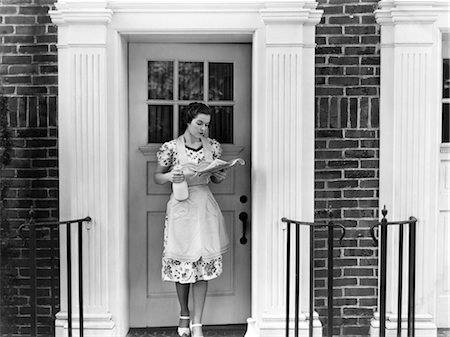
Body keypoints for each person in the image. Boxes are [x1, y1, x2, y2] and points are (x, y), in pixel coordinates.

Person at [153, 102, 229, 337]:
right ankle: (184, 313)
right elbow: (157, 177)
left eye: (207, 124)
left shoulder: (213, 147)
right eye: (199, 123)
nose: (204, 128)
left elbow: (215, 180)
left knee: (203, 265)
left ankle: (197, 323)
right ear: (188, 120)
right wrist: (170, 176)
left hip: (204, 208)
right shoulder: (171, 148)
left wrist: (219, 174)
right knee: (182, 264)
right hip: (181, 207)